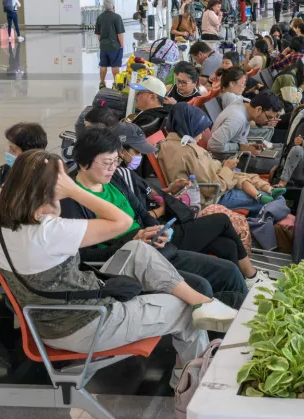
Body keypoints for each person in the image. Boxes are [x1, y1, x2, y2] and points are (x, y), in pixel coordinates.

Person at [0, 150, 237, 384]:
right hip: (85, 325)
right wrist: (76, 191)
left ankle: (201, 302)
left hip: (57, 313)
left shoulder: (0, 225)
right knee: (184, 312)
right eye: (62, 182)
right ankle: (192, 381)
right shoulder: (49, 232)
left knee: (139, 250)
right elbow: (122, 221)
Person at [59, 129, 254, 306]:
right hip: (128, 262)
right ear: (84, 164)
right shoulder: (72, 202)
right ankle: (217, 333)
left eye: (116, 161)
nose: (113, 168)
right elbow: (83, 257)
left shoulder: (114, 179)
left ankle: (240, 325)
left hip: (155, 247)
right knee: (201, 286)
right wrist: (132, 241)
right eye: (106, 163)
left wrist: (159, 232)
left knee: (228, 270)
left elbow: (142, 214)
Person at [160, 103, 285, 215]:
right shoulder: (189, 151)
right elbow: (211, 189)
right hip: (215, 197)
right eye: (199, 128)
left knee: (247, 180)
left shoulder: (167, 144)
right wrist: (226, 168)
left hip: (211, 187)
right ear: (190, 126)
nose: (203, 133)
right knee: (277, 200)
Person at [208, 90, 283, 158]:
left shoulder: (244, 104)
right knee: (279, 161)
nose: (269, 121)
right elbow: (213, 145)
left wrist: (247, 146)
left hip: (238, 154)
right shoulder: (236, 119)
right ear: (258, 109)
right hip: (227, 160)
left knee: (282, 151)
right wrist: (241, 147)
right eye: (269, 117)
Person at [0, 122, 48, 188]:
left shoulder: (48, 179)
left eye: (13, 150)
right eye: (9, 148)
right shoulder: (5, 172)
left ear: (30, 154)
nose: (8, 153)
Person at [95, 0, 125, 90]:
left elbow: (98, 34)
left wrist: (102, 42)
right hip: (114, 46)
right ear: (113, 6)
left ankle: (102, 82)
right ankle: (115, 83)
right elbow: (119, 33)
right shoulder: (117, 17)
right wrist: (121, 45)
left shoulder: (100, 17)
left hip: (103, 46)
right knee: (115, 65)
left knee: (103, 65)